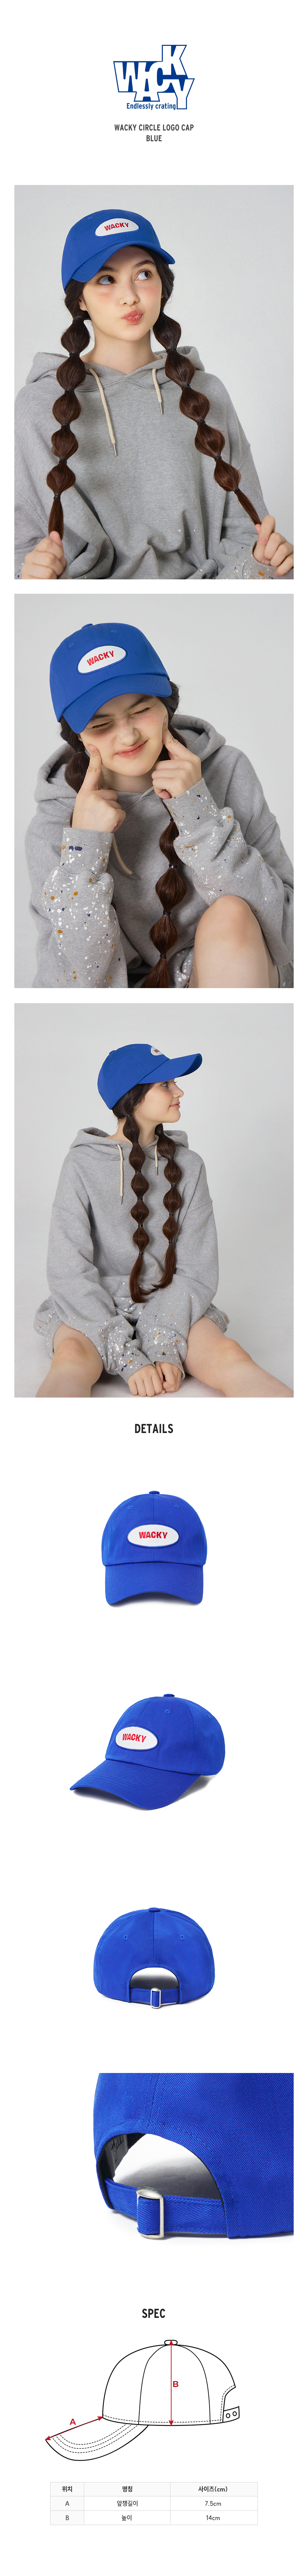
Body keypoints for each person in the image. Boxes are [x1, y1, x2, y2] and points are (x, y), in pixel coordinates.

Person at [15, 208, 294, 585]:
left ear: (163, 285)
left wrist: (262, 563)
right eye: (106, 279)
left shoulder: (207, 394)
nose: (130, 297)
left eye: (143, 275)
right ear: (80, 299)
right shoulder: (38, 407)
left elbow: (246, 538)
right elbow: (22, 551)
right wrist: (30, 576)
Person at [25, 620, 293, 991]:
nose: (128, 736)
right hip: (130, 1002)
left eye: (140, 710)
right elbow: (69, 987)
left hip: (240, 977)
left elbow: (287, 932)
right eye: (101, 725)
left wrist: (199, 814)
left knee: (231, 915)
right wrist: (83, 852)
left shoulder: (227, 769)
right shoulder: (53, 825)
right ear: (77, 737)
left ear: (167, 705)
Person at [35, 1043, 293, 1399]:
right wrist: (127, 1356)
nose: (179, 1092)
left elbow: (196, 1269)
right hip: (94, 1306)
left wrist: (163, 1342)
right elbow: (68, 1270)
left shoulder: (190, 1166)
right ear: (133, 1096)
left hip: (171, 1303)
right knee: (71, 1359)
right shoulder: (81, 1166)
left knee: (230, 1355)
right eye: (166, 1085)